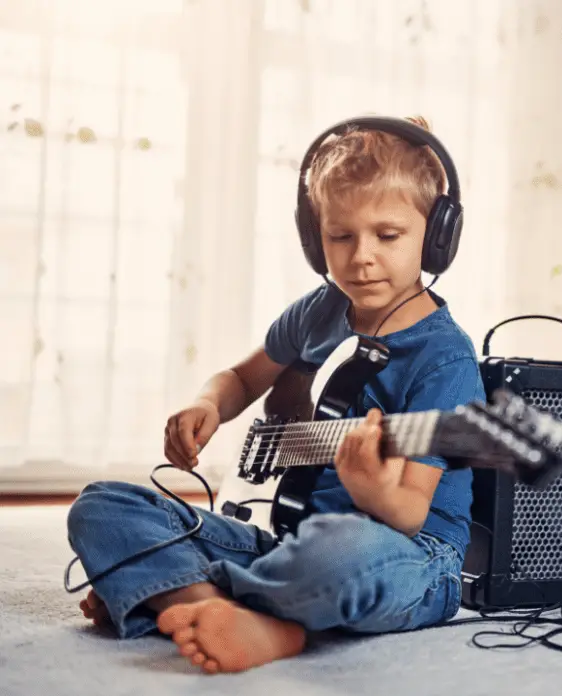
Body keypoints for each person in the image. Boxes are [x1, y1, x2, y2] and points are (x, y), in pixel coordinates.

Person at [66, 115, 485, 675]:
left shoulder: (444, 359)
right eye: (341, 236)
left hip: (407, 557)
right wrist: (208, 404)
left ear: (435, 237)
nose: (361, 256)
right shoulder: (320, 311)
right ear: (316, 239)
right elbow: (241, 379)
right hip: (288, 545)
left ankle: (168, 592)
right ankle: (213, 610)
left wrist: (371, 489)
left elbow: (409, 514)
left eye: (388, 235)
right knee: (103, 507)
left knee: (342, 549)